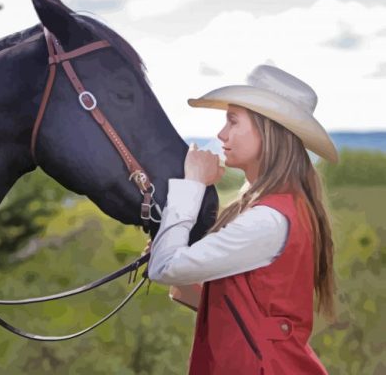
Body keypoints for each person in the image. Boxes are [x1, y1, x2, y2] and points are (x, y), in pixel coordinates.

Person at [144, 64, 338, 374]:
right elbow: (246, 304)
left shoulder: (267, 220)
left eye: (233, 121)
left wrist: (192, 183)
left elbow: (165, 268)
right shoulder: (282, 207)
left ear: (268, 130)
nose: (221, 134)